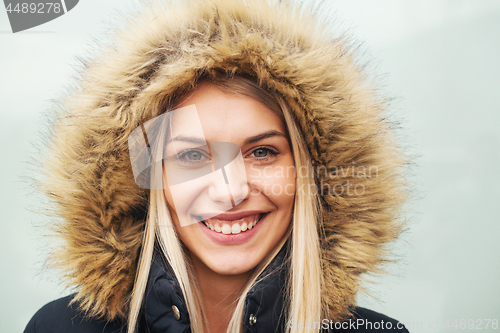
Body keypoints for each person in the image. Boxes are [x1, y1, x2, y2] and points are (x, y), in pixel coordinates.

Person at [24, 0, 409, 332]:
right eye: (192, 156)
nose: (229, 190)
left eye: (262, 152)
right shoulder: (60, 330)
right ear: (146, 181)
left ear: (311, 175)